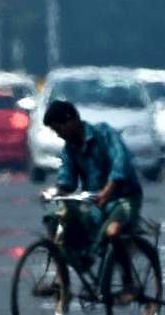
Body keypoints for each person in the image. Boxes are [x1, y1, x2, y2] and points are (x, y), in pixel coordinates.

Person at [42, 100, 144, 301]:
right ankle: (62, 283)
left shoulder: (104, 134)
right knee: (56, 218)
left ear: (71, 121)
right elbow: (67, 180)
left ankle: (129, 283)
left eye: (59, 128)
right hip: (96, 203)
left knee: (112, 231)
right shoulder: (70, 149)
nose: (59, 134)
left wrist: (109, 189)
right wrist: (55, 192)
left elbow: (121, 161)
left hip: (124, 199)